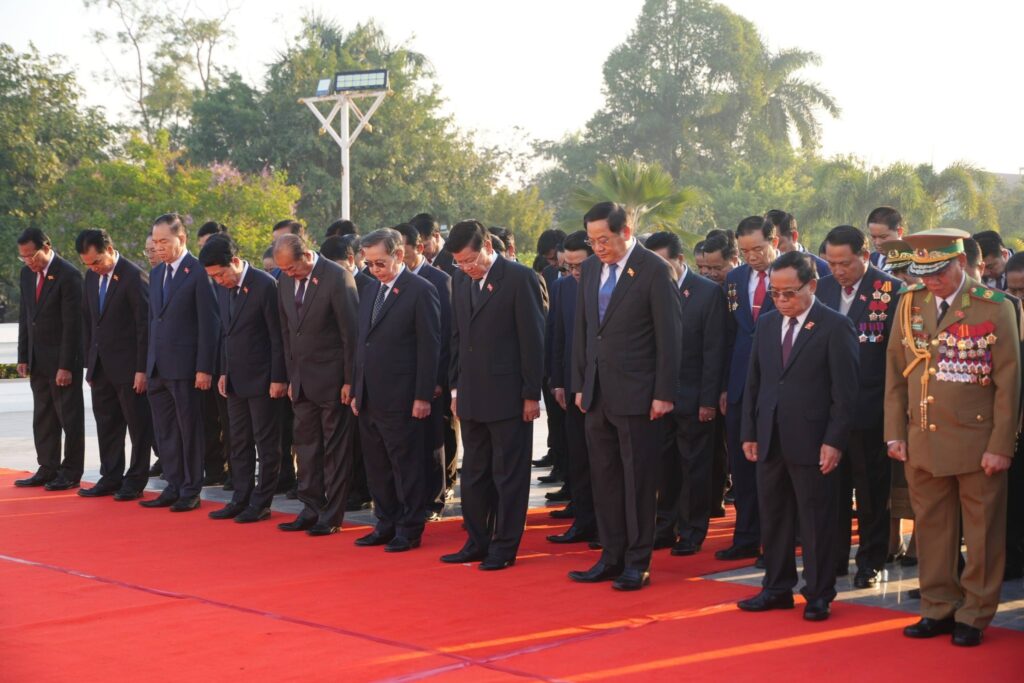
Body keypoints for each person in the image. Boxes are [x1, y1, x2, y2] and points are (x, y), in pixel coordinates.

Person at [886, 228, 1020, 647]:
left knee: (981, 533)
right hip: (922, 437)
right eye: (924, 274)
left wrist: (1001, 445)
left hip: (977, 442)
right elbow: (895, 372)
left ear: (961, 263)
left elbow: (1009, 384)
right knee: (932, 528)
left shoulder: (994, 306)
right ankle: (937, 606)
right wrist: (894, 433)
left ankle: (975, 613)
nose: (931, 281)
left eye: (939, 272)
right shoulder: (910, 302)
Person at [737, 250, 859, 622]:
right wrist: (750, 432)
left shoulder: (835, 326)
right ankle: (776, 587)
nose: (782, 300)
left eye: (789, 292)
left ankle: (819, 593)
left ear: (812, 286)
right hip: (770, 436)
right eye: (775, 293)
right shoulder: (767, 324)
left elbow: (845, 394)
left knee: (816, 521)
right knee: (774, 517)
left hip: (814, 441)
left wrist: (834, 441)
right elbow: (755, 382)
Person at [569, 202, 682, 591]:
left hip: (639, 395)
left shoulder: (654, 270)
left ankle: (637, 562)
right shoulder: (589, 269)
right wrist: (580, 383)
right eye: (593, 240)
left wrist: (664, 393)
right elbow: (584, 331)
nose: (598, 247)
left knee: (637, 482)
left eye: (604, 239)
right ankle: (610, 555)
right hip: (597, 392)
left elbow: (670, 337)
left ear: (626, 232)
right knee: (604, 479)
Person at [440, 220, 545, 570]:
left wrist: (531, 394)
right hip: (471, 393)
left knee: (508, 475)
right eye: (459, 263)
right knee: (474, 474)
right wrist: (456, 388)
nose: (466, 268)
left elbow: (533, 341)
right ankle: (476, 541)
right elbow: (457, 338)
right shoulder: (459, 280)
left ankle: (504, 546)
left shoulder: (519, 278)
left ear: (487, 246)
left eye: (470, 260)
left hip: (509, 395)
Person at [817, 225, 904, 586]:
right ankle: (835, 558)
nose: (838, 271)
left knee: (871, 493)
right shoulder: (820, 288)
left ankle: (871, 560)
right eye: (832, 263)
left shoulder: (892, 291)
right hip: (828, 410)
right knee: (832, 491)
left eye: (845, 263)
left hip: (871, 409)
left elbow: (897, 357)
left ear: (865, 256)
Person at [350, 229, 441, 551]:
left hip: (403, 397)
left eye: (380, 263)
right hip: (370, 396)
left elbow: (429, 347)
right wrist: (357, 388)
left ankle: (410, 527)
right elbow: (362, 343)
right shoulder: (369, 289)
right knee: (377, 466)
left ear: (399, 255)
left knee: (406, 467)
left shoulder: (421, 290)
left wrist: (422, 396)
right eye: (369, 263)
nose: (374, 269)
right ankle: (385, 522)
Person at [646, 231, 726, 557]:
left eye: (662, 262)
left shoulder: (707, 292)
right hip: (659, 397)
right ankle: (665, 526)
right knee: (664, 467)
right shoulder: (650, 289)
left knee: (694, 467)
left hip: (694, 398)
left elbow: (714, 351)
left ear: (679, 260)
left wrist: (708, 400)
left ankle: (692, 531)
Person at [274, 233, 359, 536]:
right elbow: (287, 333)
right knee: (306, 448)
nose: (288, 274)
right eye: (283, 269)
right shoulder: (284, 281)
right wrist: (291, 376)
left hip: (333, 381)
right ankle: (310, 508)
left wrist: (350, 380)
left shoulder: (337, 277)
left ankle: (332, 514)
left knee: (335, 451)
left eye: (291, 268)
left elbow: (351, 334)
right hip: (302, 382)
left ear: (307, 255)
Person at [199, 235, 287, 523]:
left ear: (235, 262)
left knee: (266, 443)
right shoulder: (224, 288)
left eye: (220, 274)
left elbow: (277, 336)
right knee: (238, 442)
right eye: (213, 277)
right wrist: (224, 371)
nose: (218, 281)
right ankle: (240, 497)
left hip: (263, 380)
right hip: (235, 379)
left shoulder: (264, 285)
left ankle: (261, 502)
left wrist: (278, 377)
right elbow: (227, 334)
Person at [140, 213, 220, 512]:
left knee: (189, 430)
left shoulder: (198, 271)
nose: (158, 247)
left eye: (164, 241)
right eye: (155, 241)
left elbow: (209, 324)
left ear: (181, 239)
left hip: (187, 368)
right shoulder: (157, 274)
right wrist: (147, 365)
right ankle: (172, 485)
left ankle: (190, 489)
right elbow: (153, 321)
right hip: (158, 367)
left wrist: (204, 368)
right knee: (166, 431)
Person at [718, 216, 779, 562]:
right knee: (741, 466)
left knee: (773, 468)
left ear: (774, 241)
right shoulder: (735, 279)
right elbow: (728, 335)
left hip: (777, 383)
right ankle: (745, 536)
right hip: (740, 384)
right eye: (745, 251)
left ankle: (775, 541)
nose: (752, 256)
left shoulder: (793, 274)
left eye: (758, 248)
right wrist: (725, 386)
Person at [76, 229, 153, 500]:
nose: (93, 268)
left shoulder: (133, 276)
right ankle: (110, 476)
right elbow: (89, 322)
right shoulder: (90, 277)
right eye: (88, 264)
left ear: (109, 249)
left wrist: (142, 368)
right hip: (101, 367)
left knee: (138, 426)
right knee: (107, 425)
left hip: (130, 369)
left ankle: (135, 480)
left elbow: (144, 326)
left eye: (96, 261)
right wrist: (90, 364)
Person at [14, 228, 85, 491]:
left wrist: (65, 365)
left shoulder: (68, 275)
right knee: (43, 417)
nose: (28, 262)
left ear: (46, 247)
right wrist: (23, 355)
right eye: (23, 257)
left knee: (69, 417)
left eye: (32, 256)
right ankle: (47, 467)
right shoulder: (26, 274)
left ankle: (71, 471)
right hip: (37, 359)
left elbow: (72, 326)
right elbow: (25, 317)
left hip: (62, 362)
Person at [394, 222, 455, 520]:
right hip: (400, 378)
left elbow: (445, 334)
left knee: (433, 441)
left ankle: (434, 500)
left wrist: (437, 379)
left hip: (432, 379)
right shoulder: (387, 281)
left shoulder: (439, 280)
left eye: (401, 251)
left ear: (418, 248)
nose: (397, 257)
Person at [547, 230, 597, 543]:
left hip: (604, 387)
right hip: (571, 385)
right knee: (578, 456)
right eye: (569, 266)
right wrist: (557, 382)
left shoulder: (609, 285)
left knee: (603, 462)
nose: (574, 272)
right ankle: (583, 518)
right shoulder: (562, 287)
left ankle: (607, 525)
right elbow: (557, 336)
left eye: (579, 265)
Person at [765, 210, 830, 277]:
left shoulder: (822, 269)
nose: (772, 251)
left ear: (794, 236)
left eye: (777, 244)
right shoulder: (764, 268)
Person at [412, 213, 456, 277]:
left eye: (424, 246)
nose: (421, 251)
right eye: (417, 248)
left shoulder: (454, 256)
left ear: (436, 236)